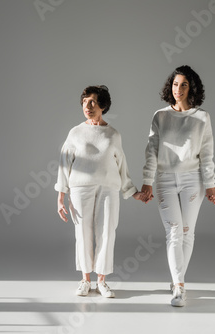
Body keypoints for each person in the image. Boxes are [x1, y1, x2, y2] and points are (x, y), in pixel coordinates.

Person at [140, 65, 215, 307]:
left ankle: (177, 280)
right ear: (170, 87)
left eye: (184, 84)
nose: (178, 89)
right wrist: (146, 181)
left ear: (191, 87)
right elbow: (151, 150)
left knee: (187, 232)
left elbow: (207, 154)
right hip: (164, 179)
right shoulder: (160, 116)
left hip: (191, 180)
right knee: (174, 232)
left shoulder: (202, 118)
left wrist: (211, 185)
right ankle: (179, 287)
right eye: (175, 84)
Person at [55, 85, 143, 298]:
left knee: (107, 232)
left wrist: (133, 192)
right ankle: (85, 280)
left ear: (103, 105)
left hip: (108, 188)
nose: (88, 106)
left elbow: (121, 165)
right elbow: (64, 164)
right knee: (83, 233)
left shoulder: (113, 135)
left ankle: (102, 281)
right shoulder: (75, 133)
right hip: (80, 189)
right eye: (85, 102)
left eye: (93, 102)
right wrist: (61, 197)